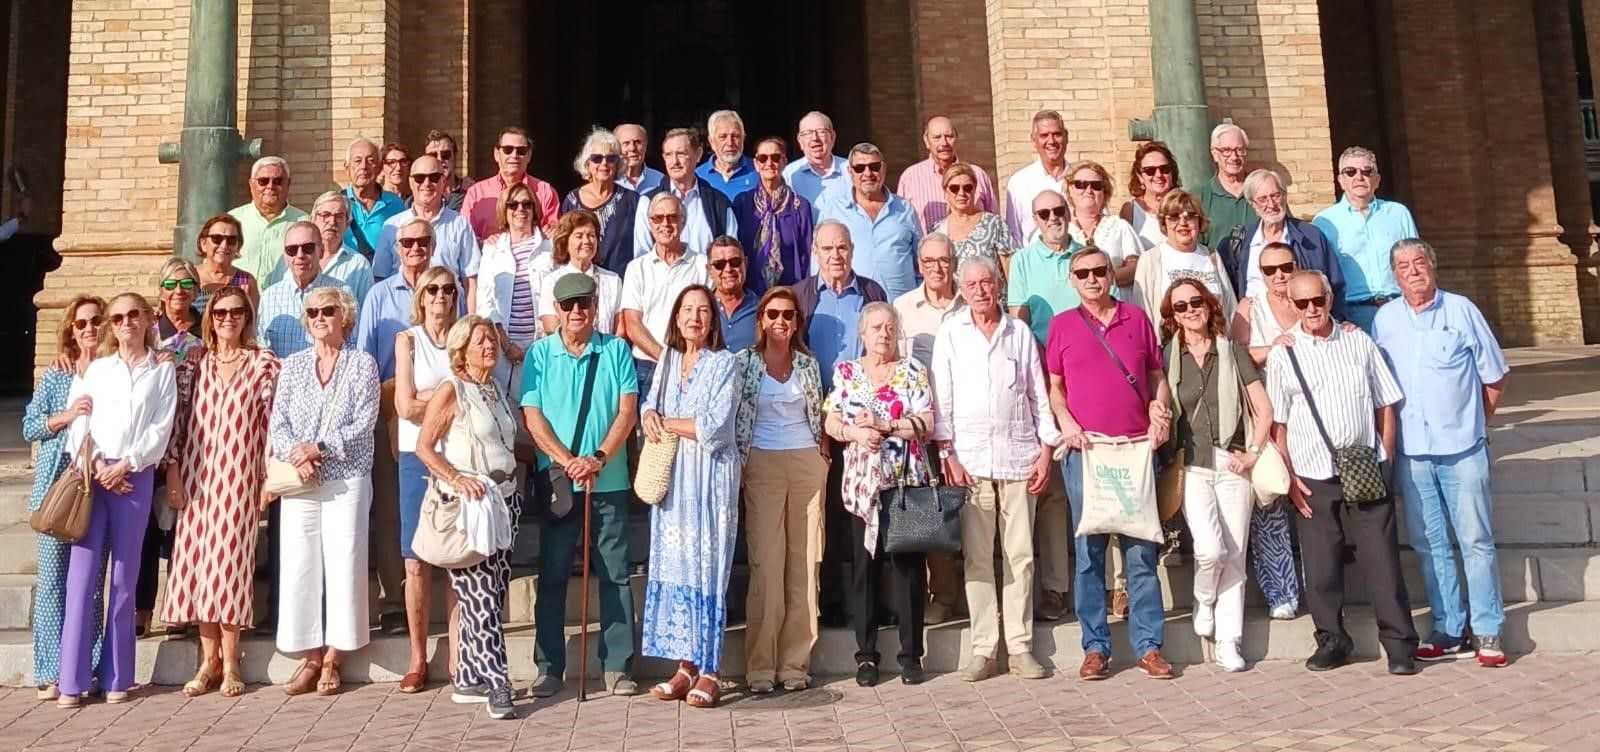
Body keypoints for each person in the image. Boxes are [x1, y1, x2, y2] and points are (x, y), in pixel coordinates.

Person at [1265, 270, 1418, 675]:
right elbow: (1278, 421)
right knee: (1322, 565)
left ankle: (1400, 644)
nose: (1312, 309)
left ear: (1330, 298)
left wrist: (1386, 453)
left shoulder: (1357, 340)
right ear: (1293, 306)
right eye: (1302, 303)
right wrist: (1290, 476)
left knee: (1382, 559)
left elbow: (1386, 401)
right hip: (1312, 471)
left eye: (1318, 300)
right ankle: (1332, 639)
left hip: (1365, 464)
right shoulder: (1285, 352)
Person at [1373, 239, 1509, 668]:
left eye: (1419, 263)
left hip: (1462, 449)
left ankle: (1487, 629)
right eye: (1403, 266)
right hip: (1413, 452)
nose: (1413, 271)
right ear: (1394, 275)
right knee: (1430, 544)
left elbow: (1494, 377)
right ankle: (1449, 627)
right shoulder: (1385, 320)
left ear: (1433, 267)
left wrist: (1474, 423)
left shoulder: (1462, 310)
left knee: (1475, 541)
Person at [1045, 248, 1175, 681]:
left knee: (1140, 551)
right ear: (1072, 279)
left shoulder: (1136, 318)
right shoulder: (1062, 326)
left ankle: (1149, 646)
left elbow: (1156, 376)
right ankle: (1095, 647)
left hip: (1136, 450)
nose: (1092, 279)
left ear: (1110, 274)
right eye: (1082, 273)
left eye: (1100, 270)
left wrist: (1161, 412)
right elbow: (1055, 386)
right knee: (1089, 555)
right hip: (1087, 454)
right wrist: (1065, 421)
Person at [933, 257, 1060, 682]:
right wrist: (947, 453)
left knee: (1020, 557)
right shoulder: (951, 333)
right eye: (971, 283)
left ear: (999, 285)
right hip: (970, 463)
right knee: (977, 559)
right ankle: (984, 648)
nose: (981, 290)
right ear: (961, 288)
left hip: (1019, 459)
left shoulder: (1018, 333)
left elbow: (1038, 396)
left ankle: (1021, 647)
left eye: (987, 282)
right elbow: (942, 400)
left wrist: (1046, 450)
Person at [522, 273, 641, 698]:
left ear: (595, 305)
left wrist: (598, 458)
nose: (577, 312)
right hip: (559, 481)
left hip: (606, 481)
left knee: (615, 573)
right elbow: (532, 418)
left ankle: (618, 666)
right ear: (557, 309)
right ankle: (549, 667)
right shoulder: (539, 354)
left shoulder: (616, 351)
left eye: (584, 304)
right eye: (568, 305)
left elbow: (627, 412)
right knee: (552, 574)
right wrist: (567, 460)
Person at [57, 291, 177, 708]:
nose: (126, 322)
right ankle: (71, 680)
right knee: (82, 579)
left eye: (134, 315)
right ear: (111, 324)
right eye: (118, 317)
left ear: (147, 319)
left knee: (124, 579)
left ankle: (117, 676)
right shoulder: (97, 370)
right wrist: (90, 464)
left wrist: (127, 464)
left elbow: (160, 429)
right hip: (91, 476)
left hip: (133, 478)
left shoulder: (162, 372)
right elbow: (79, 420)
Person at [162, 287, 281, 697]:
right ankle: (208, 660)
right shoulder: (195, 366)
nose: (228, 319)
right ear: (209, 319)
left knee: (228, 567)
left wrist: (269, 477)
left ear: (247, 318)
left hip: (240, 479)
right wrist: (173, 475)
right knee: (197, 567)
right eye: (220, 313)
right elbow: (176, 424)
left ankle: (232, 662)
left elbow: (273, 427)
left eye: (236, 312)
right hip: (197, 479)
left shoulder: (263, 364)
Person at [268, 285, 381, 696]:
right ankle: (309, 655)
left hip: (346, 476)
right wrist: (297, 454)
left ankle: (335, 655)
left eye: (328, 310)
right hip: (301, 478)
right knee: (299, 565)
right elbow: (277, 422)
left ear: (344, 317)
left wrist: (321, 448)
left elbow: (364, 421)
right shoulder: (294, 366)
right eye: (312, 312)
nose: (319, 317)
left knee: (344, 562)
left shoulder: (362, 364)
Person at [1158, 279, 1273, 672]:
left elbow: (1263, 409)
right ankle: (1203, 598)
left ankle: (1229, 640)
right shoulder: (1168, 358)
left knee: (1235, 554)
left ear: (1209, 307)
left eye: (1196, 302)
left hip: (1231, 461)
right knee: (1211, 549)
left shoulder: (1233, 352)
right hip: (1191, 464)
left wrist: (1253, 453)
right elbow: (1159, 407)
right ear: (1172, 317)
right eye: (1180, 306)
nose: (1190, 310)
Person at [412, 315, 522, 720]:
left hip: (505, 499)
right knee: (480, 600)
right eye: (479, 341)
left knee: (493, 593)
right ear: (461, 350)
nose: (488, 346)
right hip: (469, 506)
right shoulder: (452, 389)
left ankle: (470, 677)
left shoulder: (492, 387)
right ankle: (498, 683)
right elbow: (425, 446)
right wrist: (456, 478)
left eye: (491, 339)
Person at [640, 285, 741, 708]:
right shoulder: (667, 359)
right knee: (677, 567)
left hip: (710, 481)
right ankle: (685, 666)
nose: (695, 317)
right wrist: (649, 415)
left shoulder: (726, 364)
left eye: (703, 310)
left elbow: (713, 426)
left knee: (708, 570)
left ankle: (712, 669)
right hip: (673, 481)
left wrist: (666, 421)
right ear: (676, 317)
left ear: (714, 320)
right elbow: (651, 402)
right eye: (687, 310)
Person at [824, 302, 935, 687]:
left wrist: (886, 425)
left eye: (889, 327)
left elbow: (927, 422)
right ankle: (866, 656)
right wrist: (856, 433)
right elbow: (831, 419)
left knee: (907, 568)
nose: (883, 334)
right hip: (861, 485)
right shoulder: (847, 373)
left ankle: (910, 655)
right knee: (863, 567)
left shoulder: (912, 372)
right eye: (875, 328)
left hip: (904, 481)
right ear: (862, 334)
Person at [793, 221, 889, 626]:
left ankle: (877, 602)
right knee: (829, 510)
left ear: (852, 249)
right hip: (821, 421)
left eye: (843, 247)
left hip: (869, 422)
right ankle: (832, 599)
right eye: (828, 248)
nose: (836, 255)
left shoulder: (871, 292)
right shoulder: (800, 296)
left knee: (872, 511)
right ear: (815, 251)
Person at [733, 287, 827, 694]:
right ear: (761, 319)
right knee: (767, 568)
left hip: (806, 462)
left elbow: (819, 412)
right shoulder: (745, 363)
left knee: (805, 567)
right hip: (763, 461)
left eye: (789, 315)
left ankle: (794, 665)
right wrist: (740, 464)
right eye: (773, 314)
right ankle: (760, 667)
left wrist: (822, 456)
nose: (781, 322)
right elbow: (735, 416)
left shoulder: (808, 364)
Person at [24, 295, 108, 702]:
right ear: (71, 331)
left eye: (96, 321)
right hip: (57, 490)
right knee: (54, 582)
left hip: (100, 489)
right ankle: (48, 670)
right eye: (82, 324)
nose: (89, 329)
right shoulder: (58, 376)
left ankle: (85, 666)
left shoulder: (114, 372)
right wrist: (67, 416)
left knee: (91, 585)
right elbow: (29, 427)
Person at [1002, 189, 1077, 623]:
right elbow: (1019, 321)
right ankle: (1055, 588)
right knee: (1049, 494)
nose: (1053, 218)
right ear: (1034, 218)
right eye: (1044, 213)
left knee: (1099, 484)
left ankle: (1110, 585)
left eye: (1058, 211)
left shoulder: (1087, 256)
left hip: (1087, 383)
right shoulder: (1025, 262)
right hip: (1044, 381)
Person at [1226, 241, 1307, 621]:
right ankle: (1281, 591)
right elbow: (1235, 356)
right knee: (1271, 499)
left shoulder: (1311, 296)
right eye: (1270, 269)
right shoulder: (1250, 307)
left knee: (1311, 502)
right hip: (1267, 417)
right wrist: (1272, 347)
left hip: (1310, 416)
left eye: (1285, 266)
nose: (1279, 275)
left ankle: (1317, 583)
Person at [392, 267, 463, 693]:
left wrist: (428, 402)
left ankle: (456, 651)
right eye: (432, 289)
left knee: (455, 559)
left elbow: (469, 396)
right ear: (421, 297)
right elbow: (403, 405)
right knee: (415, 560)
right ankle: (417, 656)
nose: (440, 296)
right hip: (413, 455)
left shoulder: (463, 338)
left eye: (448, 289)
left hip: (457, 456)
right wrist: (445, 400)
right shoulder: (409, 341)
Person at [890, 233, 964, 624]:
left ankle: (980, 588)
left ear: (954, 262)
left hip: (968, 422)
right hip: (922, 427)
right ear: (919, 265)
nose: (937, 268)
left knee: (974, 511)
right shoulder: (904, 308)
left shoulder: (970, 301)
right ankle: (945, 594)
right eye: (929, 261)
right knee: (934, 508)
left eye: (944, 260)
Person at [1313, 146, 1420, 333]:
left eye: (1366, 171)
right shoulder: (1324, 222)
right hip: (1351, 316)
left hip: (1400, 309)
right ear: (1340, 180)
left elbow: (1417, 262)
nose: (1359, 177)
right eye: (1350, 172)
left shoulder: (1398, 214)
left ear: (1377, 180)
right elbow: (1320, 273)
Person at [1215, 169, 1343, 318]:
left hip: (1302, 324)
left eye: (1276, 195)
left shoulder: (1311, 237)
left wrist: (1339, 321)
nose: (1271, 204)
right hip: (1257, 327)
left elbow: (1334, 284)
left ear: (1284, 196)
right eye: (1263, 199)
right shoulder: (1243, 242)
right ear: (1253, 204)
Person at [622, 192, 710, 395]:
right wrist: (667, 361)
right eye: (658, 218)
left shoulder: (702, 265)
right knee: (649, 427)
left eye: (672, 217)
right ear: (650, 223)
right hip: (648, 367)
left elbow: (709, 319)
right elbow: (632, 325)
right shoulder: (637, 268)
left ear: (683, 221)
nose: (665, 224)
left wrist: (685, 362)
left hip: (693, 366)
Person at [813, 143, 924, 300]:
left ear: (883, 169)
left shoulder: (905, 209)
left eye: (874, 166)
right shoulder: (833, 209)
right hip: (852, 303)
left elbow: (922, 260)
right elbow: (818, 260)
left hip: (901, 305)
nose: (868, 173)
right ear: (850, 172)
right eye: (860, 168)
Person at [478, 182, 555, 391]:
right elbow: (484, 302)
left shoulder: (550, 247)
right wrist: (506, 344)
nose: (520, 209)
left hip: (542, 345)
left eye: (526, 204)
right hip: (503, 349)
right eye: (513, 205)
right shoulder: (493, 248)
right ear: (505, 210)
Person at [375, 155, 480, 306]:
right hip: (402, 318)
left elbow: (470, 280)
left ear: (443, 181)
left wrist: (469, 323)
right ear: (411, 182)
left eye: (434, 177)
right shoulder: (392, 226)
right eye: (419, 178)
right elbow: (380, 278)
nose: (427, 183)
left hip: (449, 319)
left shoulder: (460, 224)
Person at [1131, 190, 1238, 321]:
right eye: (1174, 216)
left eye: (1190, 216)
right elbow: (1141, 313)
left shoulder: (1212, 256)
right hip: (1169, 340)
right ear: (1164, 223)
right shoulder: (1150, 260)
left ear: (1199, 221)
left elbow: (1230, 308)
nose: (1183, 222)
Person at [631, 128, 737, 257]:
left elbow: (731, 254)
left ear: (698, 154)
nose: (674, 161)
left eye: (681, 154)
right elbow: (642, 256)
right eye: (669, 155)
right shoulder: (648, 203)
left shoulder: (719, 203)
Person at [733, 136, 815, 294]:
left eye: (775, 157)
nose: (769, 163)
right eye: (763, 158)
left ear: (784, 162)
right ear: (756, 164)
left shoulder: (799, 206)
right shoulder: (743, 203)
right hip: (751, 292)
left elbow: (807, 255)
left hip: (791, 291)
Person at [257, 222, 347, 357]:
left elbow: (353, 343)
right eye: (292, 250)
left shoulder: (342, 293)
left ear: (321, 251)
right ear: (285, 256)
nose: (300, 255)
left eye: (308, 248)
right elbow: (261, 346)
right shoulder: (269, 296)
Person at [897, 117, 1000, 231]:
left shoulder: (977, 175)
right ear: (926, 142)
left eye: (949, 136)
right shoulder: (910, 178)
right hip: (930, 247)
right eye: (937, 138)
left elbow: (994, 221)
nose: (944, 143)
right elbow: (902, 225)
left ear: (956, 139)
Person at [561, 127, 640, 274]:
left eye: (611, 159)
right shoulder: (571, 201)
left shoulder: (633, 201)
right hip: (580, 284)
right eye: (597, 158)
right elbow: (563, 245)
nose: (604, 163)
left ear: (617, 165)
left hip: (620, 284)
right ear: (587, 164)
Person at [464, 126, 560, 238]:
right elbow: (465, 237)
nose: (514, 156)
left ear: (529, 156)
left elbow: (554, 234)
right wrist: (484, 243)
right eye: (508, 150)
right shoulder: (476, 194)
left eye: (521, 151)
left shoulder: (545, 192)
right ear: (496, 154)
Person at [539, 209, 623, 335]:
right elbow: (551, 327)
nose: (587, 241)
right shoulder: (551, 282)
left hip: (607, 352)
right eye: (579, 236)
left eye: (591, 235)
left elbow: (620, 328)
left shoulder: (612, 280)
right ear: (565, 242)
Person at [229, 156, 308, 281]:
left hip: (285, 298)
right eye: (263, 181)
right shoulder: (232, 220)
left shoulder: (305, 223)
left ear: (288, 183)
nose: (270, 186)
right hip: (239, 297)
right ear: (251, 184)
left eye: (278, 181)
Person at [1064, 160, 1142, 286]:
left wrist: (1102, 280)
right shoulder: (1063, 229)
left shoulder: (1119, 226)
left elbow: (1136, 268)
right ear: (1070, 190)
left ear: (1104, 193)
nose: (1089, 190)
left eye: (1096, 186)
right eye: (1081, 184)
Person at [931, 164, 1013, 278]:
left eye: (967, 188)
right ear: (946, 192)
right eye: (954, 188)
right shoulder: (937, 230)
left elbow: (1010, 271)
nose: (961, 193)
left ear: (974, 190)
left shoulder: (994, 224)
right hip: (955, 296)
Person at [1004, 110, 1070, 244]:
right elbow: (1014, 235)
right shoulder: (1019, 182)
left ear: (1066, 137)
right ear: (1034, 141)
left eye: (1057, 134)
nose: (1051, 141)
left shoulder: (1083, 181)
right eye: (1044, 135)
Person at [304, 190, 376, 305]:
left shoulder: (359, 265)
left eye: (339, 216)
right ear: (312, 220)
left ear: (348, 224)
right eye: (325, 215)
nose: (332, 222)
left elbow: (366, 312)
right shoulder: (297, 257)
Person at [342, 138, 406, 259]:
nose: (364, 166)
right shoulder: (337, 204)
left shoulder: (396, 205)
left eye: (370, 161)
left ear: (379, 167)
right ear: (347, 168)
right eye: (357, 161)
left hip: (384, 276)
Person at [1199, 124, 1257, 248]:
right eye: (1226, 151)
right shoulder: (1199, 197)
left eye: (1240, 150)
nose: (1234, 157)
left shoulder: (1264, 191)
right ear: (1215, 154)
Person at [1120, 141, 1181, 252]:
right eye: (1150, 171)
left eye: (1164, 169)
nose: (1158, 175)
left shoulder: (1185, 205)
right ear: (1140, 176)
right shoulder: (1130, 211)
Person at [193, 213, 259, 313]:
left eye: (231, 240)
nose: (224, 245)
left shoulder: (247, 281)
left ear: (238, 246)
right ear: (203, 243)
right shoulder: (189, 277)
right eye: (217, 239)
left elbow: (253, 322)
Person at [783, 111, 850, 205]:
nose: (815, 138)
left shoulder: (852, 170)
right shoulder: (788, 175)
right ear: (800, 141)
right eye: (807, 133)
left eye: (821, 132)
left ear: (832, 137)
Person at [707, 236, 759, 352]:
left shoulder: (763, 309)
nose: (728, 269)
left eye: (735, 262)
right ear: (709, 270)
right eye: (719, 264)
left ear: (745, 263)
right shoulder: (701, 308)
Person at [697, 109, 758, 200]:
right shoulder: (698, 176)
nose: (730, 143)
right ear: (711, 141)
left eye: (735, 136)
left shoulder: (758, 170)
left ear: (743, 139)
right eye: (723, 137)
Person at [422, 130, 472, 210]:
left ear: (455, 156)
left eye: (445, 155)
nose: (440, 159)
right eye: (433, 155)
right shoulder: (417, 198)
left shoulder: (471, 193)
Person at [616, 123, 666, 194]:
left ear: (646, 146)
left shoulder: (660, 181)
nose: (632, 148)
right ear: (616, 148)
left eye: (637, 142)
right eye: (626, 143)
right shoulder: (609, 181)